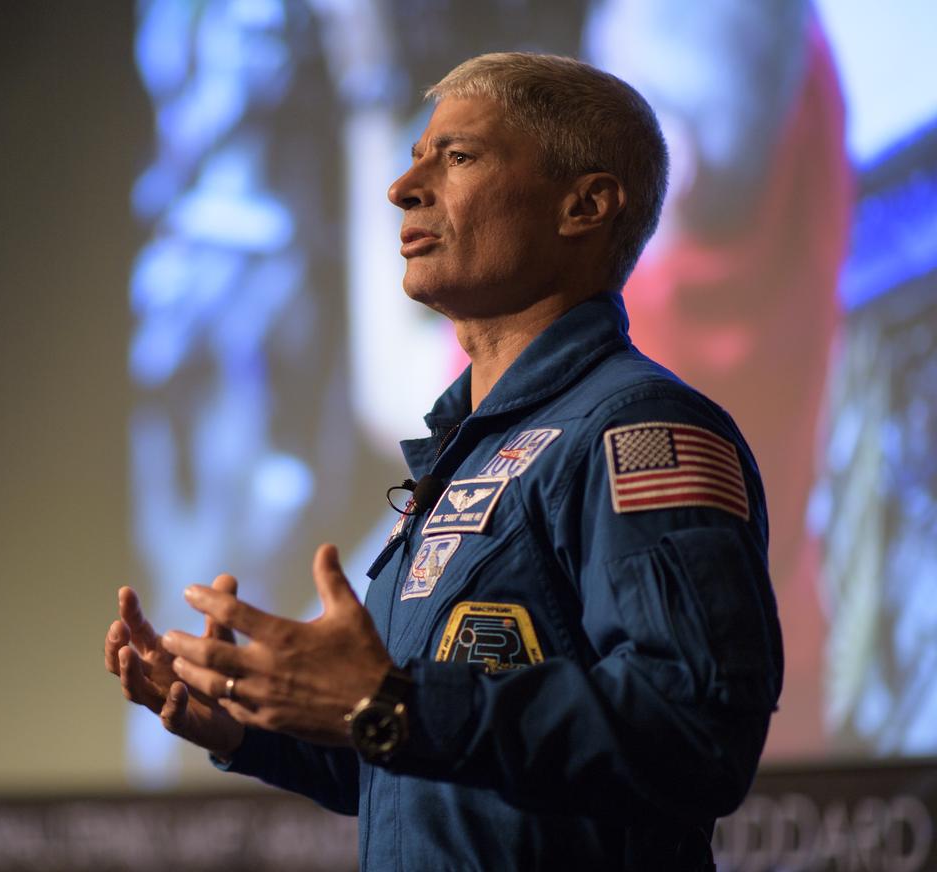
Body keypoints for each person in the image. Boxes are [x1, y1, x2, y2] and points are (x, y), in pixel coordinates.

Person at [104, 51, 782, 871]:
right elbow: (437, 771)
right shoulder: (464, 456)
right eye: (416, 155)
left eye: (456, 158)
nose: (403, 186)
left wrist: (393, 703)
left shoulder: (637, 428)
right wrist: (245, 726)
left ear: (585, 205)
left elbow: (695, 728)